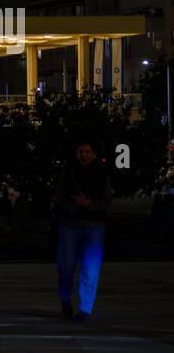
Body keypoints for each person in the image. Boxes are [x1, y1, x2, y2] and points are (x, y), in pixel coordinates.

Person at [55, 138, 111, 322]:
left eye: (88, 151)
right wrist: (74, 207)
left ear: (94, 154)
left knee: (90, 268)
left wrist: (89, 204)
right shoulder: (69, 170)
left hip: (94, 226)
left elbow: (106, 200)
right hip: (70, 224)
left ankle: (85, 309)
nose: (84, 155)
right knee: (66, 267)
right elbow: (60, 195)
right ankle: (65, 299)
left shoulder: (102, 172)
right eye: (81, 151)